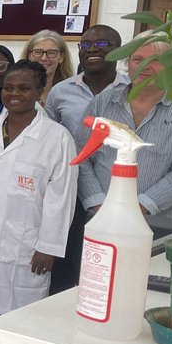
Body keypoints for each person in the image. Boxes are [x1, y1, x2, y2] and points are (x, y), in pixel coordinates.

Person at [0, 60, 76, 344]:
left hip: (28, 243)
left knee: (19, 317)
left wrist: (49, 246)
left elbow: (61, 198)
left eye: (24, 88)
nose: (14, 94)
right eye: (8, 88)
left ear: (39, 90)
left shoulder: (57, 138)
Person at [44, 24, 128, 292]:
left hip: (118, 191)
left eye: (102, 44)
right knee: (69, 268)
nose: (92, 49)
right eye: (86, 44)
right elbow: (49, 138)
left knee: (111, 270)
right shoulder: (61, 91)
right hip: (71, 191)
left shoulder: (131, 88)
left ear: (119, 50)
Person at [77, 39, 172, 227]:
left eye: (155, 60)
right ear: (128, 65)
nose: (145, 67)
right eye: (138, 59)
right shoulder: (103, 102)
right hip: (98, 217)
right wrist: (98, 203)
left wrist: (140, 206)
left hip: (158, 221)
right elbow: (81, 156)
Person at [22, 29, 74, 104]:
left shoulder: (72, 91)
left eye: (51, 53)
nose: (44, 58)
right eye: (38, 52)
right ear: (29, 55)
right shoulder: (16, 89)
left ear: (61, 57)